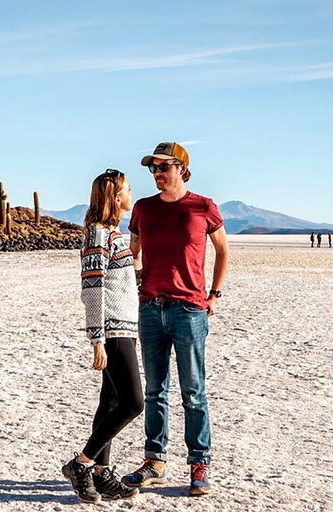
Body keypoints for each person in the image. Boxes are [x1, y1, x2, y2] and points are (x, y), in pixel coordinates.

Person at [122, 142, 229, 497]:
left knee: (194, 392)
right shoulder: (143, 208)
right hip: (151, 308)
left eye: (163, 167)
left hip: (189, 311)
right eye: (152, 168)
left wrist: (213, 295)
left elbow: (223, 250)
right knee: (155, 391)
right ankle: (155, 463)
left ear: (181, 168)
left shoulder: (203, 207)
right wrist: (137, 279)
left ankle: (199, 465)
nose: (156, 173)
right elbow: (132, 251)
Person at [62, 169, 144, 503]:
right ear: (114, 197)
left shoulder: (113, 235)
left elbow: (119, 281)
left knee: (109, 401)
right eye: (126, 189)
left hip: (126, 326)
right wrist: (97, 339)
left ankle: (101, 473)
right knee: (133, 402)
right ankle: (81, 463)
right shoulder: (98, 235)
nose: (130, 194)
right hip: (112, 329)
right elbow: (93, 290)